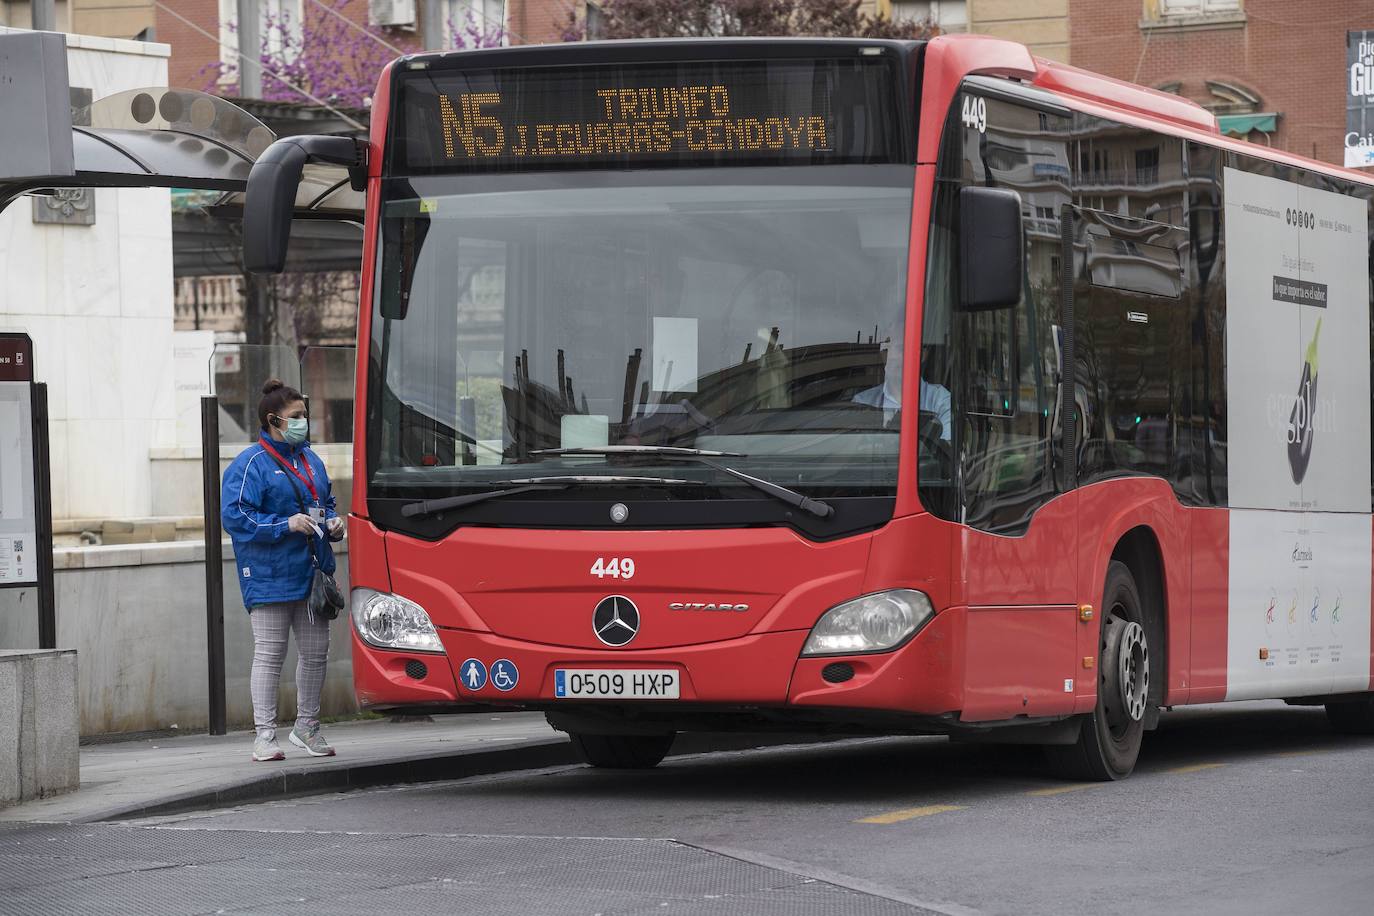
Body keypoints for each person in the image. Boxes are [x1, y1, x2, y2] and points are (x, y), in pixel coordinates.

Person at [222, 379, 345, 762]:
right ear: (274, 420)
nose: (303, 422)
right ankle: (264, 736)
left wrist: (334, 523)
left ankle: (307, 727)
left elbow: (324, 502)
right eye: (296, 417)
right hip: (269, 573)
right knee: (270, 653)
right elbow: (235, 515)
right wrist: (283, 525)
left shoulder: (311, 460)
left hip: (310, 573)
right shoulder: (250, 464)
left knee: (315, 653)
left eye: (304, 415)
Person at [852, 334, 952, 441]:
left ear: (923, 354)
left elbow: (944, 450)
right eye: (887, 348)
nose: (893, 356)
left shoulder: (941, 401)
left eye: (901, 348)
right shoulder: (861, 402)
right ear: (882, 354)